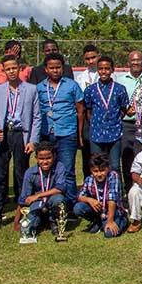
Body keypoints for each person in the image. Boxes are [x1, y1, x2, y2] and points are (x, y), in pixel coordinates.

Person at [0, 54, 41, 231]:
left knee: (22, 176)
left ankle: (24, 213)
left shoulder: (31, 89)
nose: (11, 71)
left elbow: (36, 117)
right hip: (4, 134)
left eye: (14, 68)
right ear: (3, 70)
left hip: (21, 135)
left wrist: (33, 141)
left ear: (20, 68)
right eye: (7, 68)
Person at [37, 52, 85, 201]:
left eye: (58, 67)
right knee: (48, 169)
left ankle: (70, 206)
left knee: (67, 171)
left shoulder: (72, 85)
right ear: (46, 69)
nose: (55, 70)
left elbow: (80, 110)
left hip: (67, 133)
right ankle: (50, 202)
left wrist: (79, 135)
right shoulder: (39, 88)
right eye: (52, 68)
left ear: (62, 68)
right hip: (46, 133)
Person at [82, 55, 129, 184]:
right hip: (96, 133)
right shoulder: (90, 90)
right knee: (97, 165)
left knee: (114, 166)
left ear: (112, 70)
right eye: (101, 68)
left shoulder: (120, 89)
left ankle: (116, 195)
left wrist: (114, 120)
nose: (104, 72)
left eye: (107, 68)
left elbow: (123, 109)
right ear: (97, 70)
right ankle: (98, 193)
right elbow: (88, 111)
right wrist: (96, 124)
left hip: (115, 132)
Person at [74, 154, 129, 237]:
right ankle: (98, 221)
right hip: (100, 211)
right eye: (95, 171)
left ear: (108, 168)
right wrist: (90, 200)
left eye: (102, 170)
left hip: (114, 211)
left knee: (109, 234)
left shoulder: (113, 176)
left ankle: (123, 220)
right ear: (91, 170)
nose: (99, 174)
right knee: (78, 208)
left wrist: (110, 221)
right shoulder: (89, 179)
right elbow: (79, 196)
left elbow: (112, 199)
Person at [18, 141, 65, 235]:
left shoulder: (59, 167)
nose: (45, 161)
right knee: (28, 229)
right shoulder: (30, 173)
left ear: (54, 157)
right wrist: (16, 223)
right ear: (36, 158)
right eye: (41, 158)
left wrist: (38, 195)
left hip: (51, 201)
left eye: (48, 158)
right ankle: (37, 223)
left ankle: (53, 221)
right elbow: (23, 199)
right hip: (37, 203)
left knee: (58, 199)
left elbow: (60, 188)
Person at [116, 50, 142, 187]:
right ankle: (129, 189)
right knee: (127, 158)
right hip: (127, 124)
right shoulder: (121, 80)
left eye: (138, 60)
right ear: (128, 63)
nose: (135, 63)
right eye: (133, 60)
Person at [75, 44, 101, 177]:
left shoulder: (106, 72)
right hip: (87, 118)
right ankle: (87, 185)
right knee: (86, 154)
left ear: (98, 56)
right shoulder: (81, 77)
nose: (91, 61)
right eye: (87, 59)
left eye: (93, 57)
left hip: (102, 118)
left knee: (101, 156)